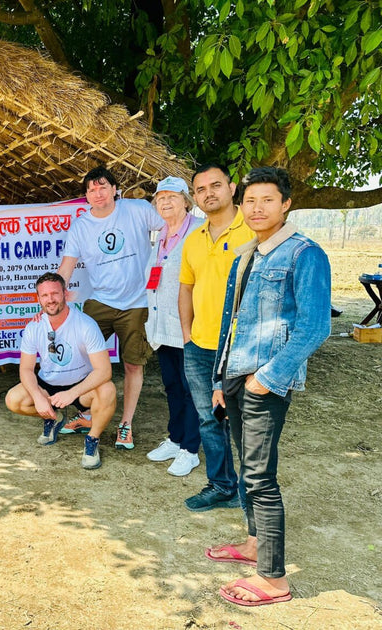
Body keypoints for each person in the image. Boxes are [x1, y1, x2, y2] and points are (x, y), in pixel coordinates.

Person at [208, 167, 330, 606]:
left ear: (286, 204)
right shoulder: (248, 254)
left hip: (265, 381)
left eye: (267, 200)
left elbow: (314, 327)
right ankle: (255, 544)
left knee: (260, 478)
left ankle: (274, 580)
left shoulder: (304, 254)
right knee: (248, 469)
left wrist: (267, 379)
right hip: (238, 376)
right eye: (250, 201)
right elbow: (233, 323)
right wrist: (222, 379)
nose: (257, 208)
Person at [57, 164, 164, 450]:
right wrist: (55, 292)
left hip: (138, 302)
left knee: (132, 364)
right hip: (100, 301)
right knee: (81, 359)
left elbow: (171, 226)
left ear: (115, 190)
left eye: (103, 186)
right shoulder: (81, 226)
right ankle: (87, 414)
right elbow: (67, 264)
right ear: (86, 196)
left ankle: (125, 423)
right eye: (91, 189)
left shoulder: (137, 209)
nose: (98, 193)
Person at [178, 164, 254, 512]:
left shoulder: (253, 230)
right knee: (210, 420)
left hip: (242, 347)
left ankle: (254, 493)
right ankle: (222, 485)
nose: (208, 193)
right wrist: (186, 334)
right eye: (200, 189)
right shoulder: (193, 239)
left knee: (245, 423)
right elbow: (186, 288)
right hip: (199, 346)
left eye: (215, 185)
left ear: (232, 187)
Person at [5, 273, 117, 469]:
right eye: (45, 295)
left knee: (108, 390)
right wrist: (38, 398)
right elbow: (26, 369)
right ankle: (54, 418)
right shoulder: (34, 326)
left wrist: (72, 393)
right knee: (13, 399)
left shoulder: (85, 324)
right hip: (48, 385)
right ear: (38, 299)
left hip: (80, 386)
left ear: (65, 293)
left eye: (55, 293)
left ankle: (92, 440)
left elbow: (104, 370)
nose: (51, 300)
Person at [144, 177, 203, 476]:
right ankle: (176, 437)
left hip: (188, 325)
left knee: (192, 387)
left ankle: (190, 449)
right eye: (160, 198)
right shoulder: (161, 233)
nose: (165, 203)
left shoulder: (198, 231)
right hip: (162, 326)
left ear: (186, 200)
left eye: (172, 197)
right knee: (172, 386)